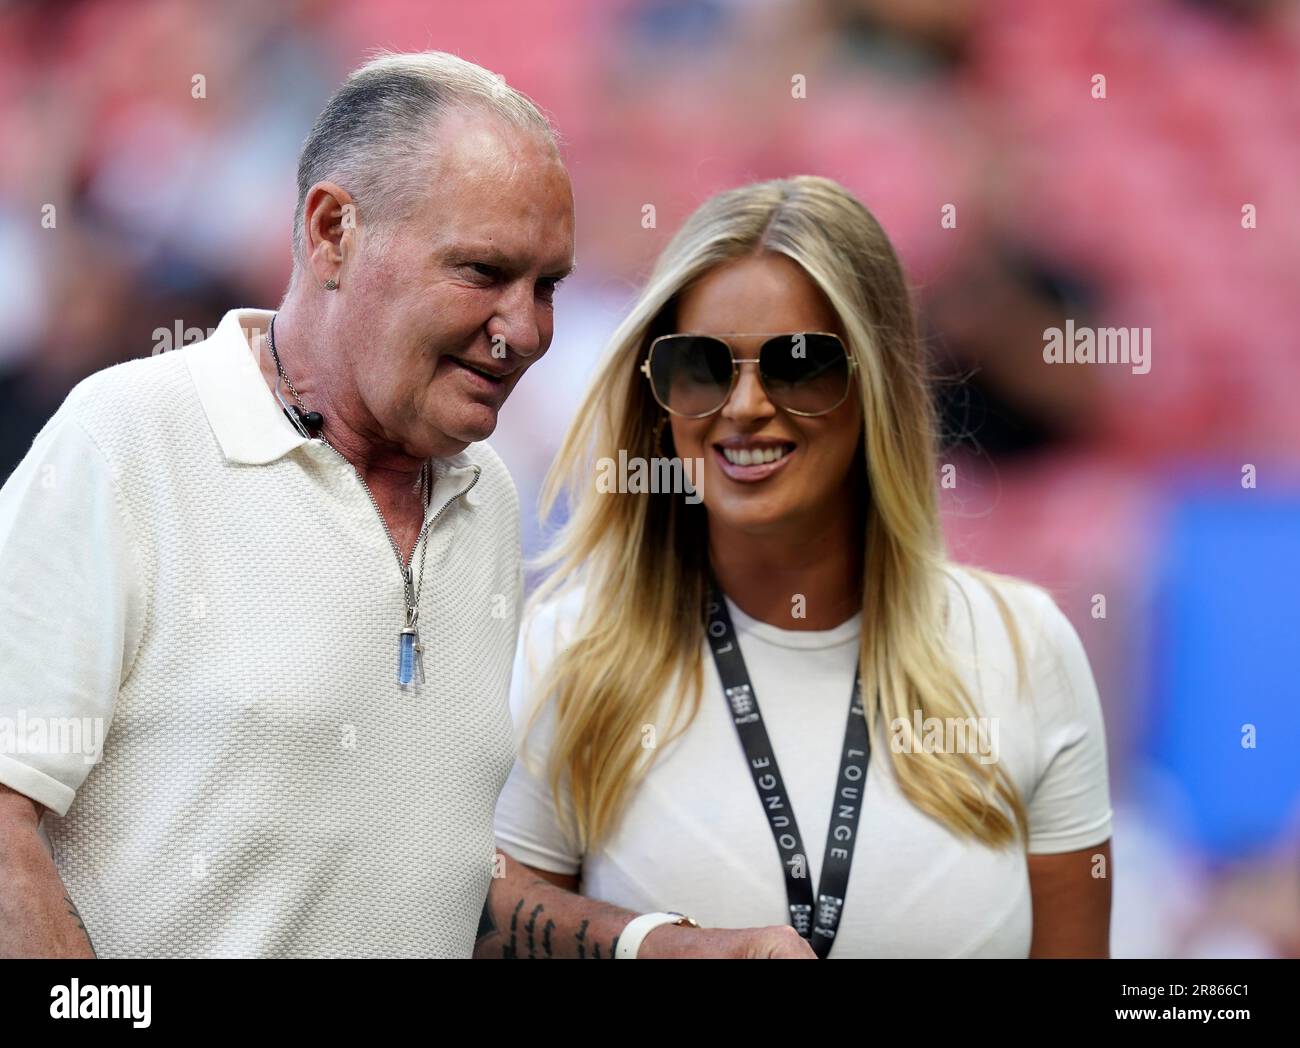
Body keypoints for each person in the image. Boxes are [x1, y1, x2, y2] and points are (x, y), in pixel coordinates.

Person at [0, 51, 575, 958]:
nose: (528, 331)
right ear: (333, 230)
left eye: (548, 286)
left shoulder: (488, 494)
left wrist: (653, 943)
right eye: (483, 271)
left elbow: (428, 868)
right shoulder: (125, 440)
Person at [477, 176, 1112, 959]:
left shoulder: (1026, 649)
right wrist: (655, 948)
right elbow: (485, 932)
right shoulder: (572, 650)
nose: (743, 404)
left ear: (875, 384)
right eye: (702, 365)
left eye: (798, 362)